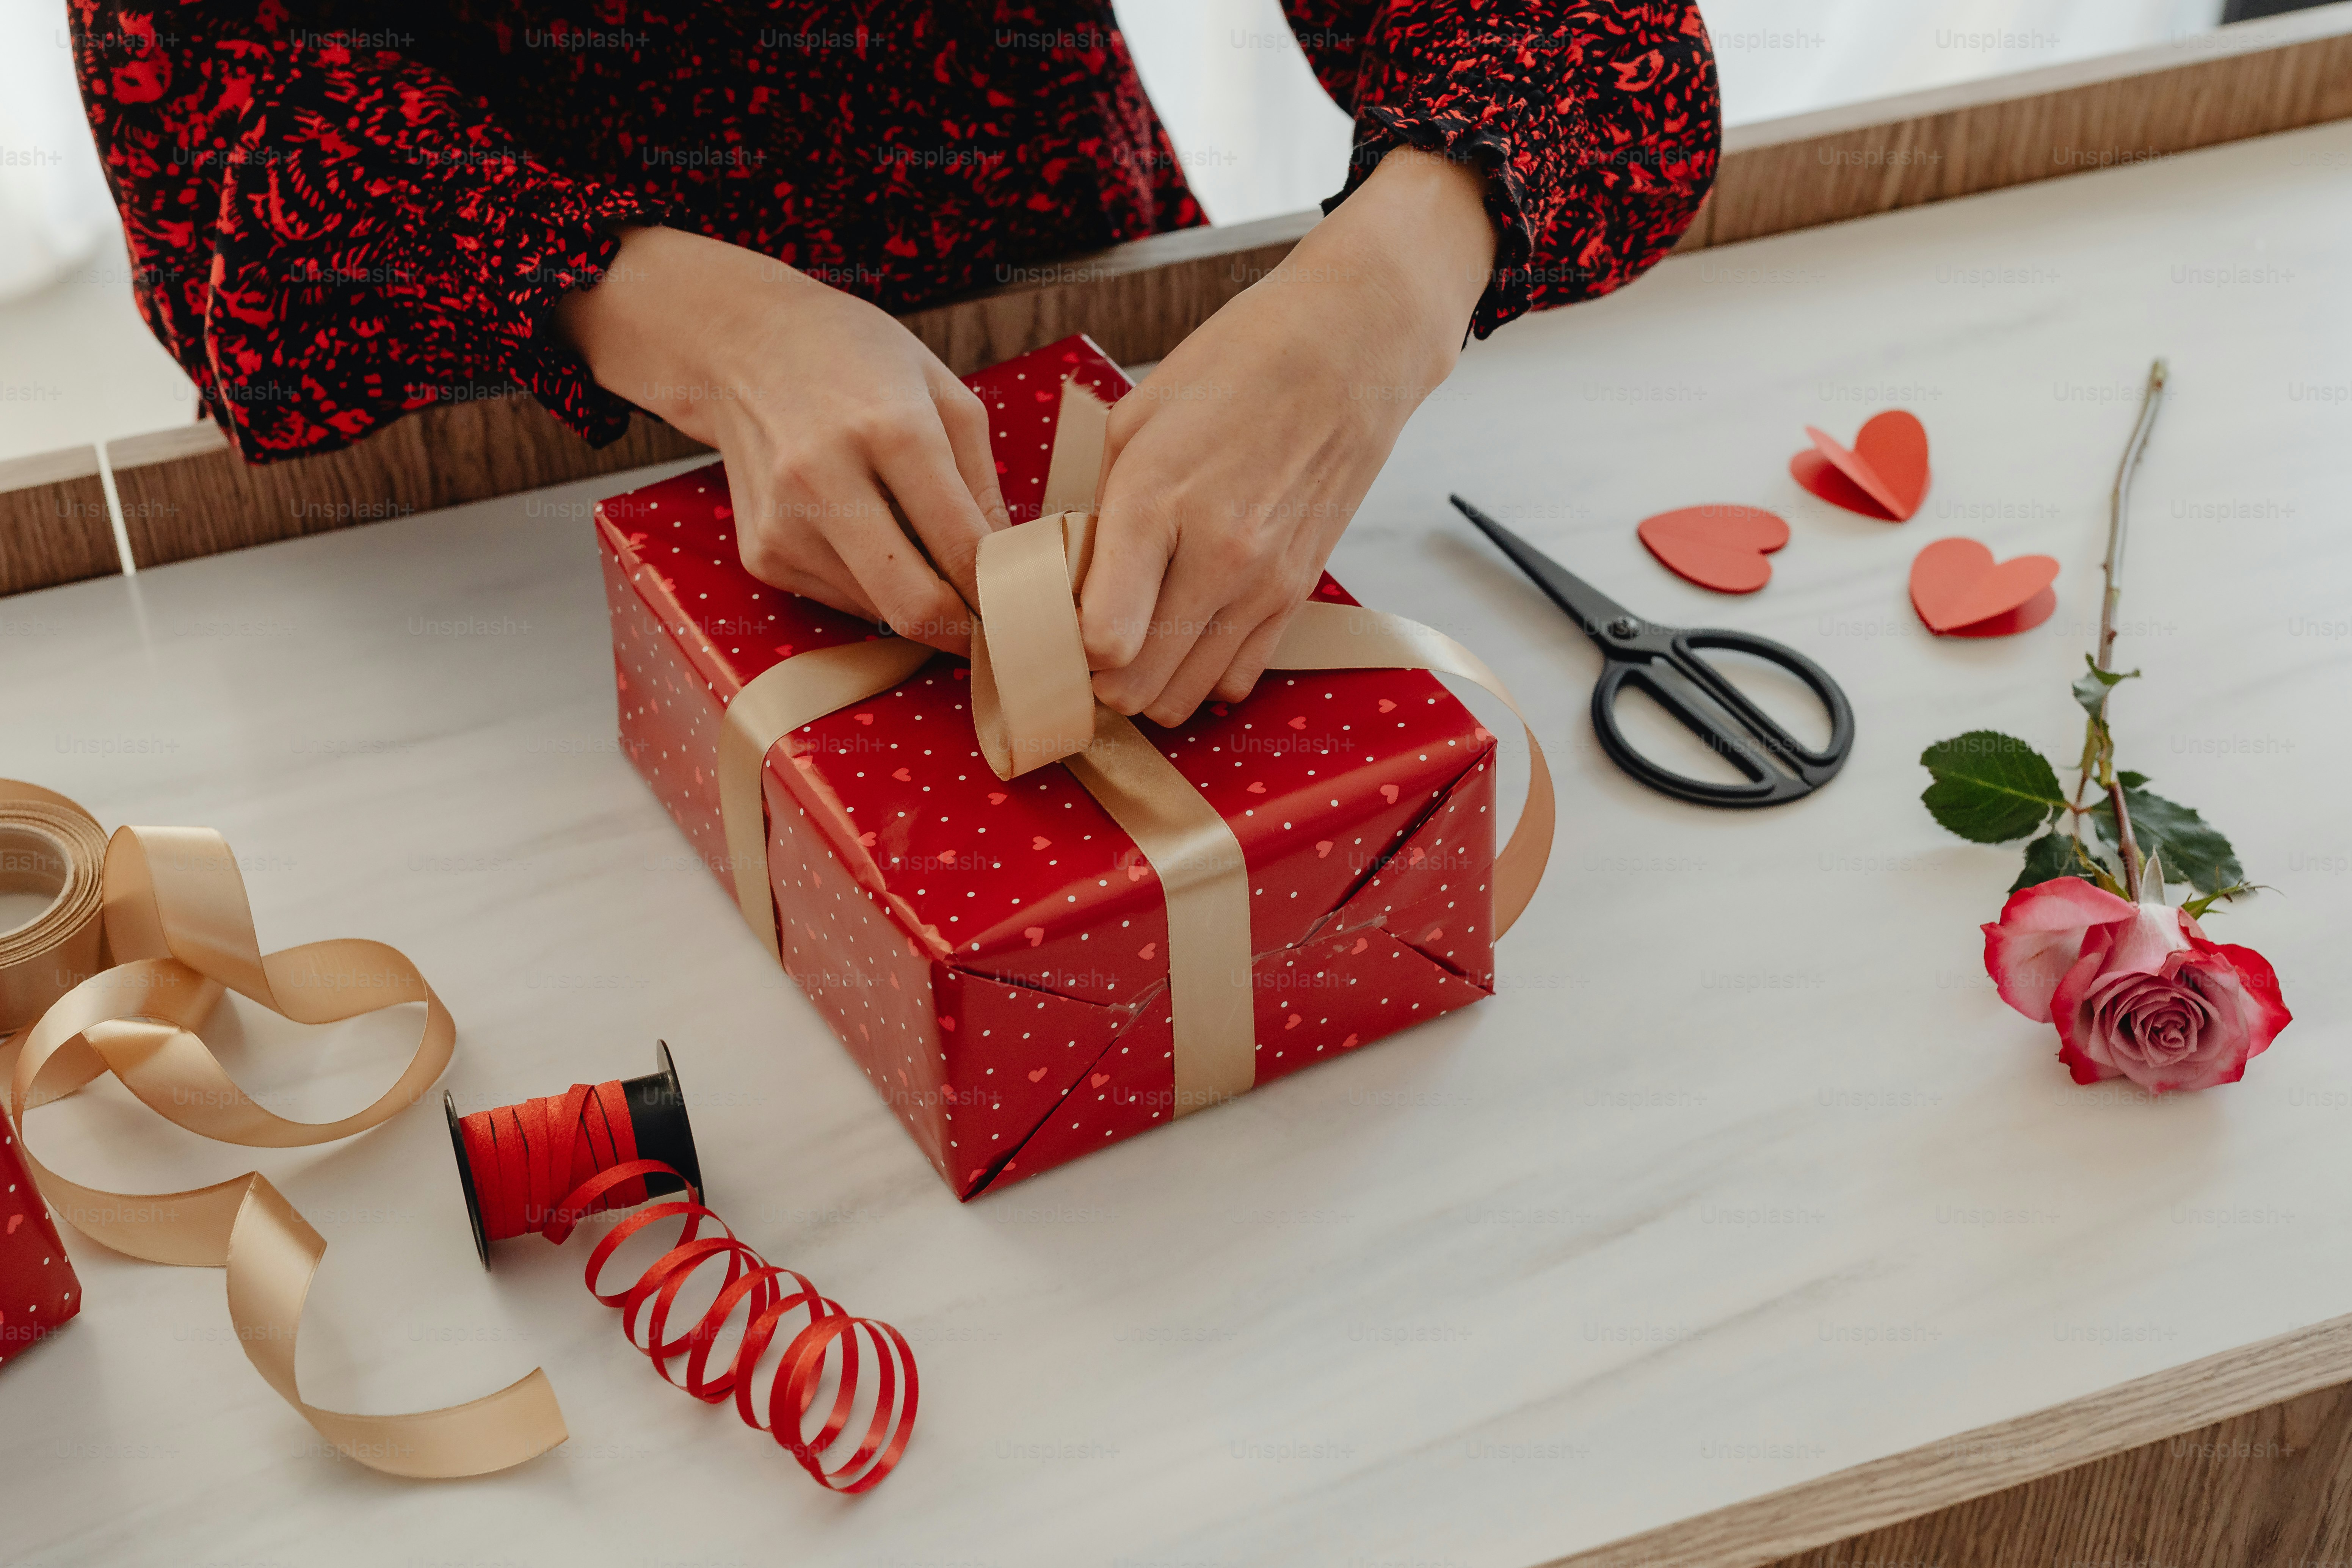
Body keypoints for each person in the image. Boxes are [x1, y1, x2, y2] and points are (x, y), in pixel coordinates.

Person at [72, 3, 1719, 724]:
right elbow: (219, 148)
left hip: (1072, 271)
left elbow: (1596, 40)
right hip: (491, 450)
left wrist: (1379, 302)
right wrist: (674, 319)